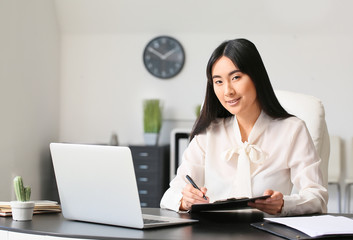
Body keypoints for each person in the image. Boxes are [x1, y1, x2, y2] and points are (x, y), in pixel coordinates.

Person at [160, 38, 328, 216]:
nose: (228, 91)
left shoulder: (292, 130)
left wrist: (283, 204)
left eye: (236, 78)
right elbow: (169, 196)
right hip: (214, 233)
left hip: (267, 232)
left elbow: (317, 197)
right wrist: (185, 201)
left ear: (256, 77)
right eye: (218, 82)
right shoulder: (209, 133)